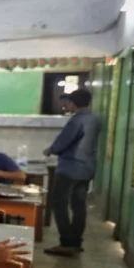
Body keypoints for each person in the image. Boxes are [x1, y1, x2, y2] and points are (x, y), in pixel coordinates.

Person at [43, 88, 101, 257]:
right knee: (78, 204)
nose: (66, 104)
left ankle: (66, 242)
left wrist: (51, 149)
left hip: (70, 168)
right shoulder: (95, 119)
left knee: (58, 202)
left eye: (68, 102)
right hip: (87, 168)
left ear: (73, 103)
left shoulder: (76, 121)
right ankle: (76, 241)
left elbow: (64, 141)